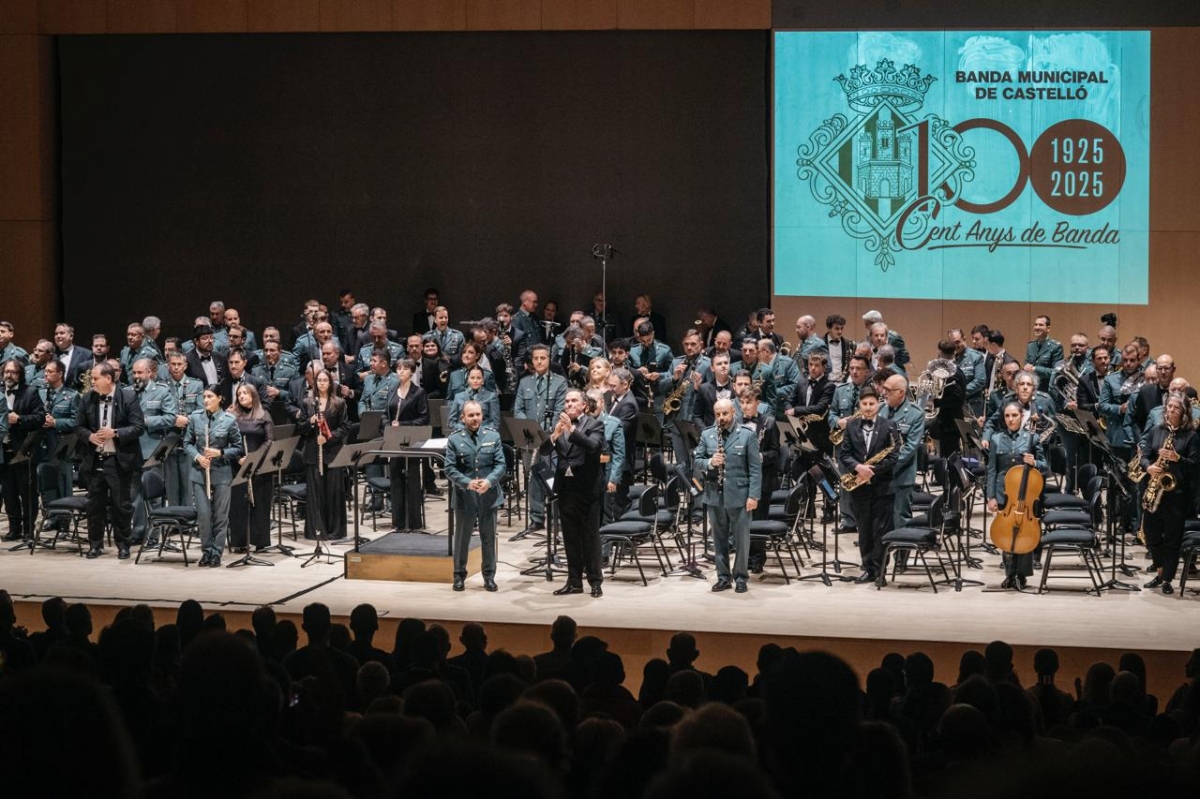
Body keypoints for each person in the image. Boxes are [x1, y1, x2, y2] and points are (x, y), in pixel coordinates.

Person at [540, 389, 607, 597]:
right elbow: (543, 451)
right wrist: (555, 435)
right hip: (566, 488)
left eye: (574, 401)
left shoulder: (595, 424)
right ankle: (574, 581)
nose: (569, 404)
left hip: (587, 488)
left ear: (584, 405)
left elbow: (593, 447)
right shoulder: (559, 425)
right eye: (567, 401)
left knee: (590, 537)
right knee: (570, 537)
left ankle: (595, 581)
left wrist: (572, 429)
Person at [75, 362, 145, 559]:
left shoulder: (128, 397)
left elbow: (138, 427)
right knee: (94, 506)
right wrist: (89, 436)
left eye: (95, 378)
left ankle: (123, 545)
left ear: (108, 378)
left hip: (118, 460)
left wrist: (114, 433)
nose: (92, 382)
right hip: (94, 459)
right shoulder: (88, 398)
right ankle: (95, 545)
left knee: (121, 505)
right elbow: (78, 426)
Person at [694, 398, 761, 593]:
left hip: (740, 495)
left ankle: (740, 577)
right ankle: (723, 577)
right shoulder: (707, 434)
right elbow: (697, 460)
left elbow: (755, 469)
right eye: (718, 414)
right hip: (715, 495)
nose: (721, 418)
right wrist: (710, 463)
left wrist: (753, 496)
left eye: (725, 414)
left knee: (741, 540)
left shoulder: (747, 435)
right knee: (719, 539)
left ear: (734, 412)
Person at [836, 385, 898, 584]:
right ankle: (868, 569)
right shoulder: (851, 426)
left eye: (872, 403)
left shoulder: (889, 425)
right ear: (859, 405)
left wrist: (872, 471)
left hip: (882, 487)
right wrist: (858, 467)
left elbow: (893, 456)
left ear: (878, 404)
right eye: (865, 404)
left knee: (880, 531)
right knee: (864, 530)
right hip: (859, 487)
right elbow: (844, 454)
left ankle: (880, 572)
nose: (868, 407)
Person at [1139, 392, 1198, 595]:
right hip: (1156, 489)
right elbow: (1145, 455)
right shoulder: (1157, 430)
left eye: (1176, 407)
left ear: (1184, 412)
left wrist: (1177, 458)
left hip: (1177, 494)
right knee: (1151, 533)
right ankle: (1160, 571)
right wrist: (1149, 467)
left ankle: (1167, 580)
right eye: (1169, 406)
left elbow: (1195, 465)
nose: (1171, 410)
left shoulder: (1191, 436)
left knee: (1172, 539)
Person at [444, 400, 505, 592]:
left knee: (489, 539)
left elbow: (501, 465)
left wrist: (489, 481)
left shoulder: (493, 436)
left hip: (488, 495)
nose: (475, 418)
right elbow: (449, 468)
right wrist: (467, 483)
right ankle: (459, 575)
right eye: (471, 415)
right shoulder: (454, 439)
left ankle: (489, 576)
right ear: (463, 417)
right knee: (462, 539)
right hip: (465, 496)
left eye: (478, 414)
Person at [986, 402, 1047, 589]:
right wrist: (990, 496)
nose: (1010, 419)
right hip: (1003, 494)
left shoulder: (1032, 438)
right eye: (1007, 416)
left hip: (1025, 494)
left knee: (1024, 532)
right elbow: (992, 470)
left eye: (1014, 415)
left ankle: (1022, 575)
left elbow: (1045, 467)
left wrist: (1035, 462)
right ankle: (1009, 574)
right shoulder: (996, 439)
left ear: (1022, 416)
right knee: (1006, 532)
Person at [184, 386, 244, 567]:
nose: (206, 400)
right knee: (203, 515)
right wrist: (198, 457)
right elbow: (187, 443)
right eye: (204, 397)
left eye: (210, 397)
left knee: (220, 515)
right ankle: (206, 551)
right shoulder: (195, 417)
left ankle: (217, 552)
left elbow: (238, 448)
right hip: (199, 472)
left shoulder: (229, 420)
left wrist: (220, 452)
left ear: (220, 398)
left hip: (221, 473)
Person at [514, 344, 567, 534]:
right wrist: (530, 428)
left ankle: (555, 516)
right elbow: (518, 409)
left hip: (550, 438)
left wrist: (545, 433)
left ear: (549, 359)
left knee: (550, 476)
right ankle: (536, 517)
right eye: (536, 358)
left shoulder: (559, 382)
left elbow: (560, 410)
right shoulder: (525, 382)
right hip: (530, 438)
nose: (539, 361)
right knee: (533, 477)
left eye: (543, 358)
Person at [129, 357, 179, 545]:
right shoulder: (127, 392)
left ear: (150, 373)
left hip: (153, 449)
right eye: (134, 372)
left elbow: (171, 418)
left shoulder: (162, 391)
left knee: (154, 495)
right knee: (135, 495)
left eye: (140, 372)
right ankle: (138, 532)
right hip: (132, 449)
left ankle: (154, 535)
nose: (136, 376)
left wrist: (146, 421)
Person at [299, 369, 351, 542]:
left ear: (330, 383)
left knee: (334, 492)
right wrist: (310, 421)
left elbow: (345, 427)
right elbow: (300, 428)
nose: (322, 383)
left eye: (325, 380)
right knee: (316, 493)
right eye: (319, 380)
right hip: (313, 453)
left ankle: (335, 531)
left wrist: (328, 437)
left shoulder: (339, 403)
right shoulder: (307, 403)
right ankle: (317, 530)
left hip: (332, 452)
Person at [2, 358, 46, 541]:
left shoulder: (30, 392)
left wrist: (19, 419)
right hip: (3, 451)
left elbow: (40, 417)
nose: (9, 375)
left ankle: (28, 530)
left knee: (27, 493)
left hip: (24, 451)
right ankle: (14, 529)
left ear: (20, 374)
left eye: (13, 372)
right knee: (9, 493)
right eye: (6, 371)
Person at [228, 383, 275, 553]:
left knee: (260, 503)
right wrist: (238, 458)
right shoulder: (231, 415)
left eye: (245, 393)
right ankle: (240, 542)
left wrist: (254, 458)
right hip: (238, 464)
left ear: (253, 396)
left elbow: (269, 440)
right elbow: (227, 440)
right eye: (239, 394)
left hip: (259, 465)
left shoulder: (264, 414)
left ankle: (260, 541)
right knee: (238, 504)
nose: (241, 396)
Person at [386, 358, 429, 532]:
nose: (401, 371)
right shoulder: (392, 390)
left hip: (411, 441)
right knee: (396, 480)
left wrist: (402, 425)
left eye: (405, 368)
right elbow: (385, 414)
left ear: (411, 371)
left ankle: (413, 522)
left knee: (411, 480)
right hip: (394, 441)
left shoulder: (419, 392)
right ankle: (398, 522)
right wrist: (387, 426)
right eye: (398, 368)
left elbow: (424, 418)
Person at [881, 374, 925, 530]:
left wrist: (886, 465)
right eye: (884, 389)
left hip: (901, 474)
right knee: (881, 518)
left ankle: (900, 547)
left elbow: (910, 447)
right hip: (879, 476)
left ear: (900, 392)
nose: (884, 393)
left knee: (900, 518)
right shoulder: (880, 409)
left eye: (888, 390)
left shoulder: (916, 414)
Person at [447, 365, 499, 433]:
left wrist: (481, 431)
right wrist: (466, 430)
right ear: (468, 379)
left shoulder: (491, 396)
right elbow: (451, 422)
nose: (475, 381)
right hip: (462, 434)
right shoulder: (458, 396)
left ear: (483, 380)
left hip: (484, 434)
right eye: (472, 378)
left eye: (479, 378)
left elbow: (495, 423)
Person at [1024, 315, 1063, 391]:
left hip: (1047, 391)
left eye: (1041, 325)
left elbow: (1057, 372)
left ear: (1048, 328)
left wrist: (1036, 369)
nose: (1037, 327)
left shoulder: (1056, 347)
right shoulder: (1030, 346)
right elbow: (1027, 365)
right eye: (1035, 324)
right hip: (1031, 389)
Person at [823, 314, 855, 383]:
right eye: (837, 328)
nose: (840, 331)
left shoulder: (848, 344)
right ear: (829, 328)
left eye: (841, 328)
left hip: (842, 382)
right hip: (825, 383)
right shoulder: (820, 343)